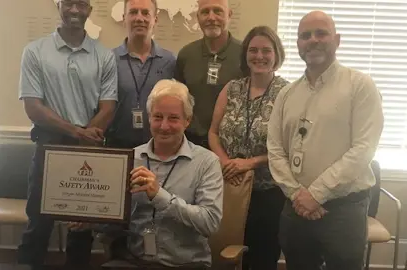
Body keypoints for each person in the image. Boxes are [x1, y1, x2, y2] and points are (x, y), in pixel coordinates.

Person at [267, 11, 384, 270]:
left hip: (343, 211)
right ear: (297, 44)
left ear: (337, 40)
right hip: (295, 208)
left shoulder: (360, 86)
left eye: (321, 33)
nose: (313, 40)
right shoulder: (286, 94)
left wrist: (316, 194)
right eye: (305, 36)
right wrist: (299, 195)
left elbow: (364, 149)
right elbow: (275, 150)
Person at [17, 0, 118, 266]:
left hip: (88, 149)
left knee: (80, 228)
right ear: (59, 6)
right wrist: (77, 132)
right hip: (48, 147)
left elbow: (109, 107)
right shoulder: (35, 51)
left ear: (90, 10)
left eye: (82, 4)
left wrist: (84, 137)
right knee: (38, 224)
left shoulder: (104, 56)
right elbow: (33, 107)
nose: (75, 10)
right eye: (69, 3)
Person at [100, 79, 223, 268]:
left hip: (186, 264)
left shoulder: (207, 162)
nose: (164, 126)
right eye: (157, 117)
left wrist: (160, 196)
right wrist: (90, 220)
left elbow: (209, 222)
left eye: (173, 118)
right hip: (136, 261)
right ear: (149, 118)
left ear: (187, 121)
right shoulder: (130, 158)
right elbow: (114, 214)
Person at [208, 26, 289, 270]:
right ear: (245, 55)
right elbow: (212, 133)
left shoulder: (288, 93)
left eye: (266, 50)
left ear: (277, 55)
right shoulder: (231, 88)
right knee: (223, 253)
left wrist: (250, 163)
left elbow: (289, 147)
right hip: (228, 188)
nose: (259, 56)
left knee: (262, 258)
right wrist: (225, 161)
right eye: (253, 50)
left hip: (268, 193)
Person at [106, 0, 175, 149]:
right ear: (124, 18)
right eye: (133, 12)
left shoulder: (170, 61)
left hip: (158, 148)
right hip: (117, 146)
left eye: (145, 13)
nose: (139, 18)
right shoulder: (109, 59)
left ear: (155, 19)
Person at [174, 0, 242, 149]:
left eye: (217, 11)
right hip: (191, 145)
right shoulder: (186, 55)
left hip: (231, 148)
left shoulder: (245, 55)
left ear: (229, 15)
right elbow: (178, 103)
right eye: (205, 12)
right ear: (198, 17)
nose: (211, 17)